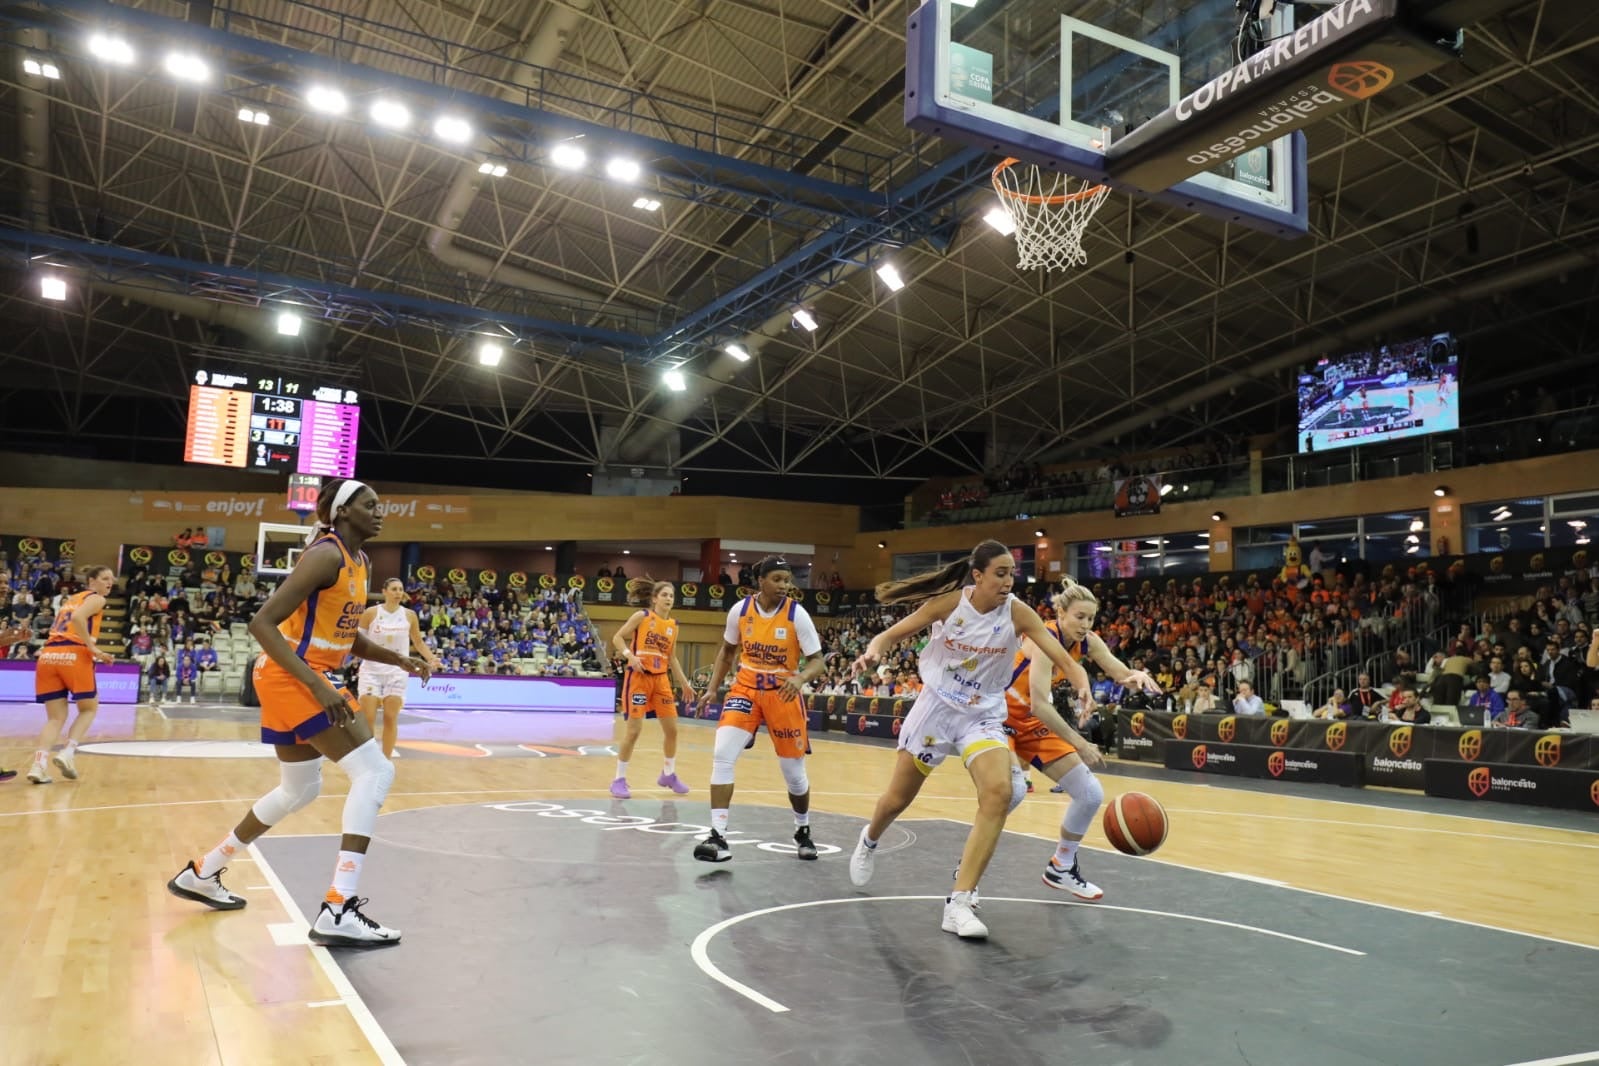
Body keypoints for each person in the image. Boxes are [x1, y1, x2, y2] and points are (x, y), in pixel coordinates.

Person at [166, 479, 430, 947]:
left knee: (300, 789)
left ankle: (205, 872)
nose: (380, 513)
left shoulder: (361, 561)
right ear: (344, 512)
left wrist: (398, 657)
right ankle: (337, 906)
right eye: (370, 506)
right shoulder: (325, 554)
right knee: (375, 773)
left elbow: (346, 637)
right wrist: (314, 684)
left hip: (293, 677)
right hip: (296, 676)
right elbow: (261, 623)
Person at [845, 540, 1093, 940]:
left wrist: (1082, 684)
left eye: (1012, 573)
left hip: (982, 714)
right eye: (1000, 573)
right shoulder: (949, 605)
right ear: (977, 576)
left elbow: (1064, 659)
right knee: (896, 800)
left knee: (998, 793)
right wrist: (872, 653)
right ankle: (870, 839)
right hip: (937, 710)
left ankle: (959, 902)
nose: (1009, 581)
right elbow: (890, 636)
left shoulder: (1018, 613)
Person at [1004, 578, 1159, 900]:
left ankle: (1061, 865)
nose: (1086, 624)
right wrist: (1079, 742)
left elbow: (1119, 672)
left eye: (1090, 618)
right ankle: (966, 875)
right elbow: (1039, 704)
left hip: (1031, 725)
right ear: (1060, 613)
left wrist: (1137, 676)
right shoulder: (1043, 637)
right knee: (1013, 793)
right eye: (1079, 617)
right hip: (999, 716)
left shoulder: (1088, 640)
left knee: (1089, 793)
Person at [694, 556, 825, 864]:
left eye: (787, 580)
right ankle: (717, 836)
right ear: (761, 581)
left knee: (794, 774)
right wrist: (713, 688)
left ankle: (802, 830)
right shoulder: (740, 611)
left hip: (784, 692)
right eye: (777, 579)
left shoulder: (798, 615)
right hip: (746, 689)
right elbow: (727, 651)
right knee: (722, 755)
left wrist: (801, 677)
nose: (784, 585)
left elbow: (818, 660)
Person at [25, 565, 116, 784]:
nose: (109, 583)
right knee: (89, 708)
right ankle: (67, 753)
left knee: (55, 718)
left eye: (111, 579)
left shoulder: (71, 598)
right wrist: (93, 648)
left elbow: (71, 617)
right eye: (104, 578)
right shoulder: (96, 598)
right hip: (73, 654)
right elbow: (77, 618)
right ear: (92, 581)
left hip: (48, 656)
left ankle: (38, 765)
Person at [609, 577, 698, 798]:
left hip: (661, 681)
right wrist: (630, 657)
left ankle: (668, 774)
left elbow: (672, 658)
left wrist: (685, 683)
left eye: (671, 596)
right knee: (634, 731)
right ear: (655, 598)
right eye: (665, 595)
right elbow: (617, 638)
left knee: (672, 730)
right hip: (639, 680)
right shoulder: (643, 616)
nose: (669, 599)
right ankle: (618, 779)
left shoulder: (673, 626)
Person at [356, 578, 442, 758]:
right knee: (368, 719)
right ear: (384, 591)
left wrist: (432, 658)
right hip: (371, 670)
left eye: (400, 589)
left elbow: (418, 642)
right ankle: (368, 760)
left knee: (390, 717)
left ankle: (385, 762)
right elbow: (357, 642)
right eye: (394, 589)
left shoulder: (409, 615)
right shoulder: (370, 613)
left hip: (397, 671)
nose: (398, 593)